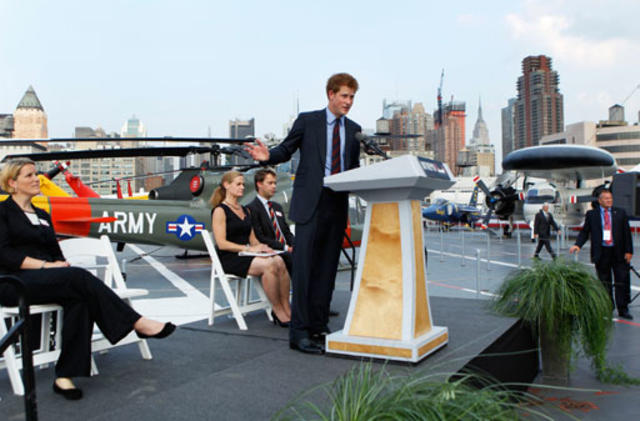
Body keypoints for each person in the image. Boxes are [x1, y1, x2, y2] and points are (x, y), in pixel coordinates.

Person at [0, 158, 175, 401]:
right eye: (29, 175)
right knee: (79, 278)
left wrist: (56, 265)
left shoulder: (41, 214)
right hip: (13, 282)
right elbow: (5, 255)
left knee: (80, 300)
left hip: (44, 279)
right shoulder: (3, 212)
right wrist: (48, 266)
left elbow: (55, 253)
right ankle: (135, 322)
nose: (36, 179)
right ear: (12, 183)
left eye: (36, 174)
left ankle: (64, 377)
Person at [245, 73, 361, 354]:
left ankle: (319, 327)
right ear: (330, 94)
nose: (348, 102)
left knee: (327, 270)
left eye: (352, 97)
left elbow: (354, 169)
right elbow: (285, 150)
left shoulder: (355, 130)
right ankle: (299, 334)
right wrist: (267, 156)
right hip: (311, 204)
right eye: (344, 96)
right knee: (306, 270)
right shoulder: (308, 122)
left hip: (337, 206)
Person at [210, 171, 291, 327]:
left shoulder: (245, 210)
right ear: (227, 185)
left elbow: (253, 239)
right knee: (269, 265)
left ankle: (286, 306)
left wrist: (262, 248)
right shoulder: (220, 210)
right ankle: (277, 309)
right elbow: (222, 243)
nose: (242, 187)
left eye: (243, 184)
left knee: (279, 260)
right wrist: (249, 249)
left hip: (246, 254)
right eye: (238, 184)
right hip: (230, 257)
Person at [569, 190, 634, 320]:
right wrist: (578, 244)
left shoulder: (620, 213)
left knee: (622, 281)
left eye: (610, 198)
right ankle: (608, 307)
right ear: (599, 201)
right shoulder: (592, 215)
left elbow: (627, 234)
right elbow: (585, 232)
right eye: (606, 199)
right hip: (602, 253)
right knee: (605, 282)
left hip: (619, 253)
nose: (609, 200)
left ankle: (623, 309)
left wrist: (629, 251)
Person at [247, 168, 294, 274]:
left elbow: (286, 232)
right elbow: (260, 237)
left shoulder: (277, 207)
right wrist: (285, 248)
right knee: (292, 257)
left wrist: (295, 245)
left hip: (286, 249)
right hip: (272, 250)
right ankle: (297, 289)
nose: (274, 186)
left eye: (275, 183)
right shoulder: (252, 208)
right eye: (270, 183)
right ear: (259, 184)